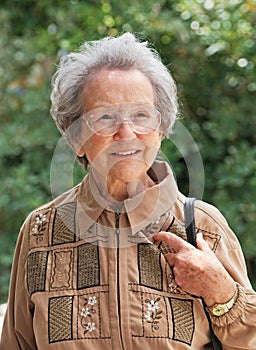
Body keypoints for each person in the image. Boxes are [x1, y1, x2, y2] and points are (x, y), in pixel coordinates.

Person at [0, 32, 255, 350]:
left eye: (141, 115)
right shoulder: (40, 231)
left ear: (161, 131)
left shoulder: (202, 225)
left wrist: (223, 295)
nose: (127, 133)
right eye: (105, 117)